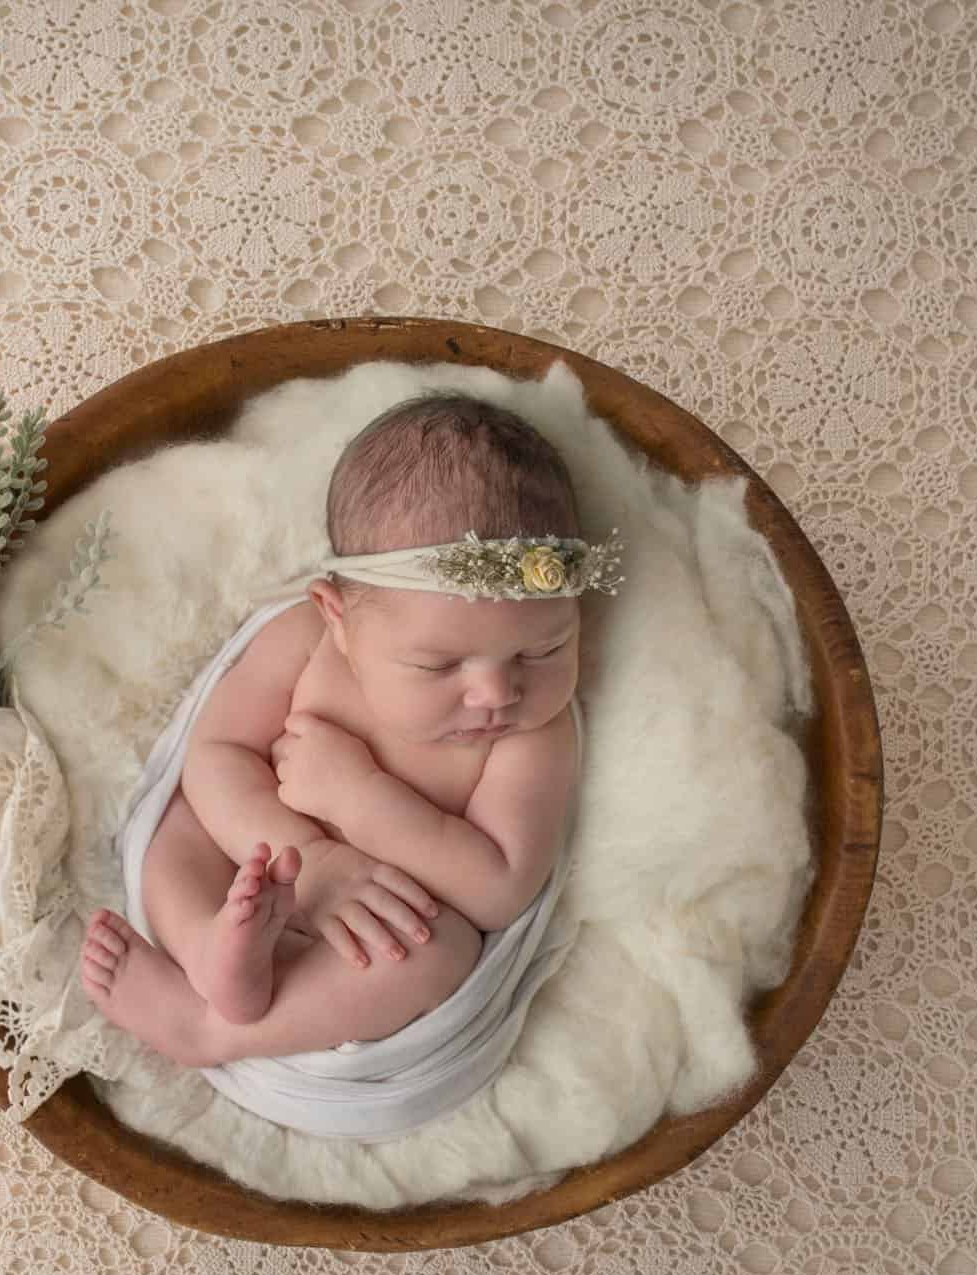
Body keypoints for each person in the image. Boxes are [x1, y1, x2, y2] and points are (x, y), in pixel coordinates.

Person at [80, 391, 623, 1070]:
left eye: (541, 650)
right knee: (179, 835)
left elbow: (500, 887)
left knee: (440, 952)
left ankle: (210, 1031)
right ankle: (209, 952)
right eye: (440, 662)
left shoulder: (532, 734)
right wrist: (313, 859)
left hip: (372, 938)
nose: (496, 692)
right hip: (261, 859)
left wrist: (359, 798)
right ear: (338, 616)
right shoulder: (303, 642)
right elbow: (216, 757)